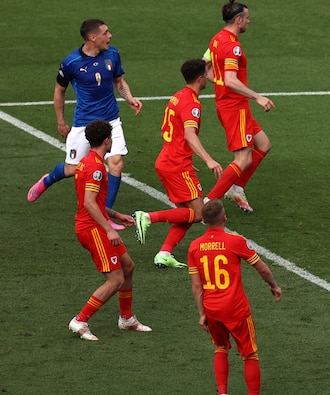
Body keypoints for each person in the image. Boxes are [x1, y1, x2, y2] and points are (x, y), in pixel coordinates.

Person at [28, 18, 142, 230]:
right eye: (105, 33)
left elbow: (119, 82)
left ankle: (105, 214)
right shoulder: (71, 63)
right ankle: (48, 179)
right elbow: (59, 91)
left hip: (111, 120)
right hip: (83, 123)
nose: (110, 36)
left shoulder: (112, 54)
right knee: (72, 169)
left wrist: (130, 98)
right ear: (93, 37)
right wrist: (61, 122)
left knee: (116, 162)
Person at [188, 199, 282, 395]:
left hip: (212, 309)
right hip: (236, 309)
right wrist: (273, 286)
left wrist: (202, 313)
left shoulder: (195, 246)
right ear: (224, 218)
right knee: (249, 354)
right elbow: (262, 268)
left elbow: (196, 285)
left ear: (204, 221)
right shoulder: (235, 241)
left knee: (221, 348)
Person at [131, 59, 223, 269]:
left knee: (186, 213)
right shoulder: (192, 104)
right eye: (207, 72)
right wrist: (208, 159)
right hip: (177, 165)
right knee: (199, 213)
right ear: (200, 78)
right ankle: (146, 217)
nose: (210, 75)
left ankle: (164, 253)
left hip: (168, 160)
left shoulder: (177, 97)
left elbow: (169, 131)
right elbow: (189, 134)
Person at [68, 120, 151, 341]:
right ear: (107, 140)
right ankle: (80, 320)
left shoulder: (87, 162)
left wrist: (115, 215)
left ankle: (126, 319)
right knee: (115, 279)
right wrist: (110, 229)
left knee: (128, 266)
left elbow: (94, 202)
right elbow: (89, 203)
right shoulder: (95, 168)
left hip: (95, 224)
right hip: (93, 229)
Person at [202, 0, 275, 213]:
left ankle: (237, 187)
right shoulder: (232, 46)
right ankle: (209, 202)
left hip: (230, 105)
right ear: (238, 20)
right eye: (247, 18)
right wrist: (257, 97)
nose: (249, 21)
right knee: (243, 158)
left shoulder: (217, 39)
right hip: (235, 107)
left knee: (263, 145)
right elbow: (232, 80)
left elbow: (205, 67)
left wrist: (218, 81)